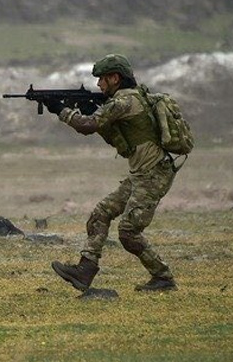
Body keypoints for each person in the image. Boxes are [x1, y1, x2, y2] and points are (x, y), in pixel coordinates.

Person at [46, 54, 178, 292]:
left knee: (128, 232)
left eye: (102, 80)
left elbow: (86, 126)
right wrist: (89, 109)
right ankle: (85, 270)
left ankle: (163, 277)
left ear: (115, 78)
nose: (98, 85)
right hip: (142, 174)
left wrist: (61, 111)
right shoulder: (130, 99)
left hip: (153, 174)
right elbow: (112, 131)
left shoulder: (124, 102)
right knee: (100, 214)